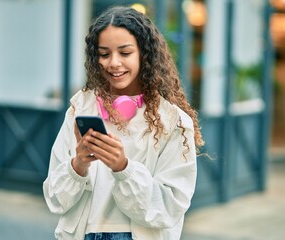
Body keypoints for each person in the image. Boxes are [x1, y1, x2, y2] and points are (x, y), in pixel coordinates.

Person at [43, 5, 204, 240]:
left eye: (125, 53)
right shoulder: (79, 109)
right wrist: (78, 165)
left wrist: (124, 168)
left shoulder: (174, 121)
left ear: (145, 54)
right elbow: (55, 200)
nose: (113, 63)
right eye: (104, 54)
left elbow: (170, 207)